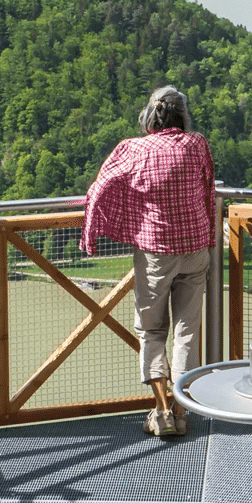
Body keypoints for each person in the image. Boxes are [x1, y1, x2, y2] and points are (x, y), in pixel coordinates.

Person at [82, 85, 216, 439]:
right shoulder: (196, 144)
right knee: (187, 333)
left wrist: (95, 230)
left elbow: (100, 187)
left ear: (149, 116)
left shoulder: (133, 148)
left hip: (156, 253)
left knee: (152, 331)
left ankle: (162, 412)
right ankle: (182, 409)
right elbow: (208, 189)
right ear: (183, 116)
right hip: (196, 247)